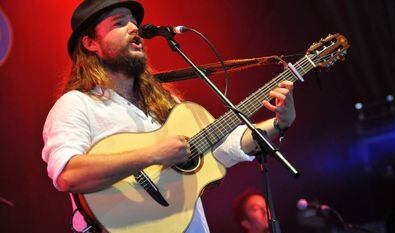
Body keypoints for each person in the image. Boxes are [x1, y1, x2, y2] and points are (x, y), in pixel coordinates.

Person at [41, 0, 296, 232]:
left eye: (134, 22)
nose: (134, 29)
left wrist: (278, 124)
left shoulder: (165, 102)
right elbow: (68, 175)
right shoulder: (76, 104)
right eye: (120, 23)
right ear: (90, 43)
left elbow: (223, 148)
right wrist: (154, 154)